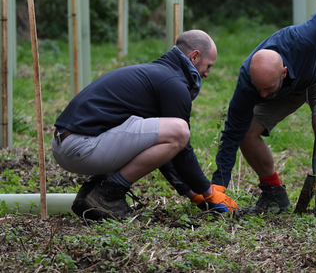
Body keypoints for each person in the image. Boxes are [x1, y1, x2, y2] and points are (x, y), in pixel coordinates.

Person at [52, 30, 238, 221]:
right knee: (180, 130)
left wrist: (194, 195)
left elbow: (164, 151)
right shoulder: (173, 83)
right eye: (208, 66)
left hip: (65, 144)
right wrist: (208, 192)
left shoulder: (156, 74)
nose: (207, 74)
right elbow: (181, 148)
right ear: (195, 56)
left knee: (168, 133)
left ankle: (90, 194)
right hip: (82, 146)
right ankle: (108, 195)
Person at [207, 5, 316, 216]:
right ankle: (274, 192)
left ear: (283, 72)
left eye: (267, 89)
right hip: (285, 89)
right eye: (259, 89)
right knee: (246, 131)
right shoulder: (250, 83)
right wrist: (218, 186)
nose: (262, 96)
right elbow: (231, 134)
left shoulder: (301, 39)